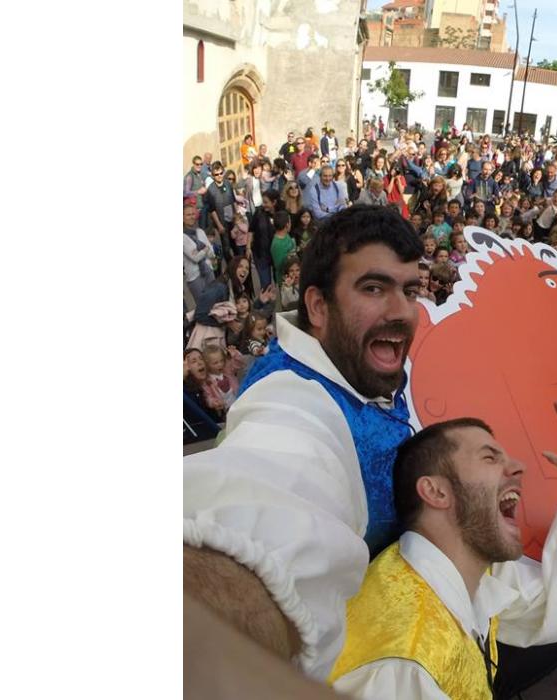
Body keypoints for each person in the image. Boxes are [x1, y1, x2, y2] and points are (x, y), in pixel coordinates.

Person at [183, 205, 433, 683]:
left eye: (411, 290)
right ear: (318, 306)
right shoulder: (292, 396)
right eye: (374, 288)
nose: (402, 311)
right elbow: (270, 495)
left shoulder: (358, 358)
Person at [329, 395, 557, 699]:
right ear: (435, 491)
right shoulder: (402, 666)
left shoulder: (472, 579)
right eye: (490, 458)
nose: (518, 467)